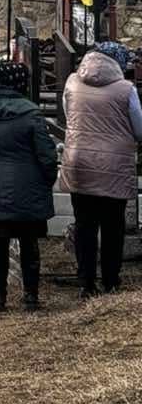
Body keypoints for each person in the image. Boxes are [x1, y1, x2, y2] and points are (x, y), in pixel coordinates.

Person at [0, 58, 58, 311]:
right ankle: (30, 295)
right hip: (28, 186)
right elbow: (47, 155)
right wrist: (46, 179)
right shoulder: (31, 112)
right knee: (29, 243)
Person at [60, 48, 142, 300]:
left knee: (84, 225)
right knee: (112, 226)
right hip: (114, 167)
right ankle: (110, 279)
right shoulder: (126, 90)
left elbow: (68, 115)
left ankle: (86, 280)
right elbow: (139, 128)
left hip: (79, 163)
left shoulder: (72, 83)